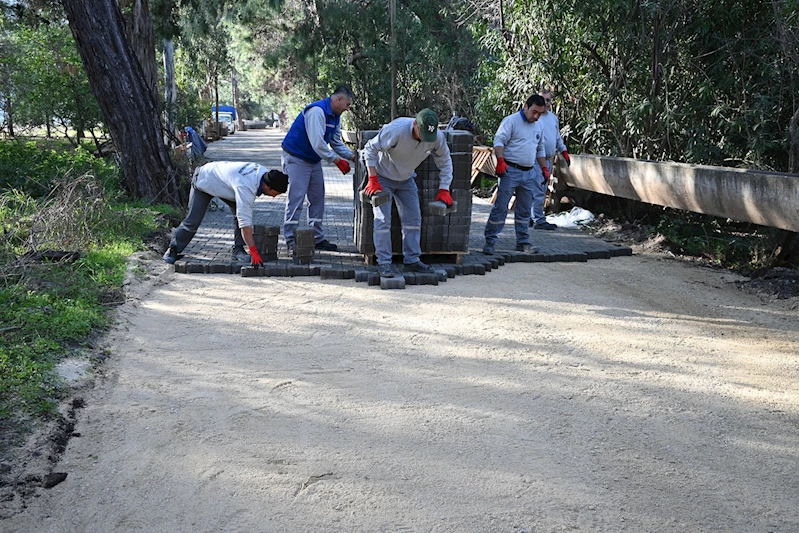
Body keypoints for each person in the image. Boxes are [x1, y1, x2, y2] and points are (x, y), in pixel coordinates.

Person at [362, 108, 454, 278]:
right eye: (423, 133)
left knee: (413, 219)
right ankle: (384, 263)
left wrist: (444, 188)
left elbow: (445, 161)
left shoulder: (437, 137)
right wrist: (372, 178)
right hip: (383, 177)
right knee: (383, 220)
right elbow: (369, 149)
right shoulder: (396, 130)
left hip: (406, 179)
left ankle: (412, 259)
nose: (425, 139)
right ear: (415, 125)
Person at [163, 162, 289, 266]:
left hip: (226, 185)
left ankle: (238, 250)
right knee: (193, 221)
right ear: (268, 187)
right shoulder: (246, 187)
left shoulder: (265, 174)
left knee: (238, 215)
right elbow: (245, 225)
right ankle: (173, 250)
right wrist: (254, 251)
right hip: (204, 181)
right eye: (275, 194)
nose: (274, 197)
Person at [281, 85, 356, 252]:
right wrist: (336, 161)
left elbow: (335, 142)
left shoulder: (335, 116)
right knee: (297, 198)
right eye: (347, 105)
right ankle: (290, 239)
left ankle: (316, 237)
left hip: (313, 160)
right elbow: (318, 143)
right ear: (338, 100)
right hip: (297, 157)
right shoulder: (317, 111)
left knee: (317, 198)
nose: (347, 109)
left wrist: (351, 156)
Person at [482, 94, 548, 255]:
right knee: (501, 207)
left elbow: (540, 149)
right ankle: (490, 241)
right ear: (525, 106)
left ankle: (523, 242)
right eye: (534, 112)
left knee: (525, 209)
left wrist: (544, 168)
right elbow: (499, 141)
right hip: (510, 170)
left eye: (540, 113)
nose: (536, 116)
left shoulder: (538, 125)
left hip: (529, 172)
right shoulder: (511, 121)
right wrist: (500, 160)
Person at [532, 89, 570, 230]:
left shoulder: (553, 118)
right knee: (537, 190)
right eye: (543, 100)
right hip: (535, 159)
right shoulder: (535, 117)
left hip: (548, 159)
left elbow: (557, 137)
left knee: (540, 190)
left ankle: (533, 217)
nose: (546, 103)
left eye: (548, 100)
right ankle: (537, 219)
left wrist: (563, 150)